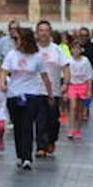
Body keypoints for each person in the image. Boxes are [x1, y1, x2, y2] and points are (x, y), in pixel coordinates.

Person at [2, 27, 52, 170]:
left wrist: (49, 94)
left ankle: (27, 157)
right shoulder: (12, 54)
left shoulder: (37, 57)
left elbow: (44, 76)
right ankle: (20, 154)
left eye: (17, 39)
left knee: (27, 125)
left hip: (32, 94)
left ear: (25, 40)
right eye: (14, 39)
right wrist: (2, 83)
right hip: (14, 94)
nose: (15, 42)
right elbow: (4, 71)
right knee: (18, 125)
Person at [33, 21, 70, 158]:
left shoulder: (57, 49)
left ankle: (52, 139)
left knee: (53, 120)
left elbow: (66, 67)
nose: (43, 33)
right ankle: (41, 146)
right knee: (40, 118)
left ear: (50, 32)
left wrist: (66, 83)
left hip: (54, 90)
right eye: (41, 30)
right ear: (37, 33)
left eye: (46, 30)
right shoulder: (33, 49)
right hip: (36, 89)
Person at [66, 41, 93, 141]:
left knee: (80, 109)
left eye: (78, 48)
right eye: (74, 48)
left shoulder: (85, 61)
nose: (76, 50)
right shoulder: (68, 61)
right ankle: (71, 129)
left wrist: (90, 89)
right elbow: (66, 75)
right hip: (72, 86)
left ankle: (78, 129)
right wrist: (65, 87)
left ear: (81, 50)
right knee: (73, 107)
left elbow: (89, 76)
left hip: (83, 86)